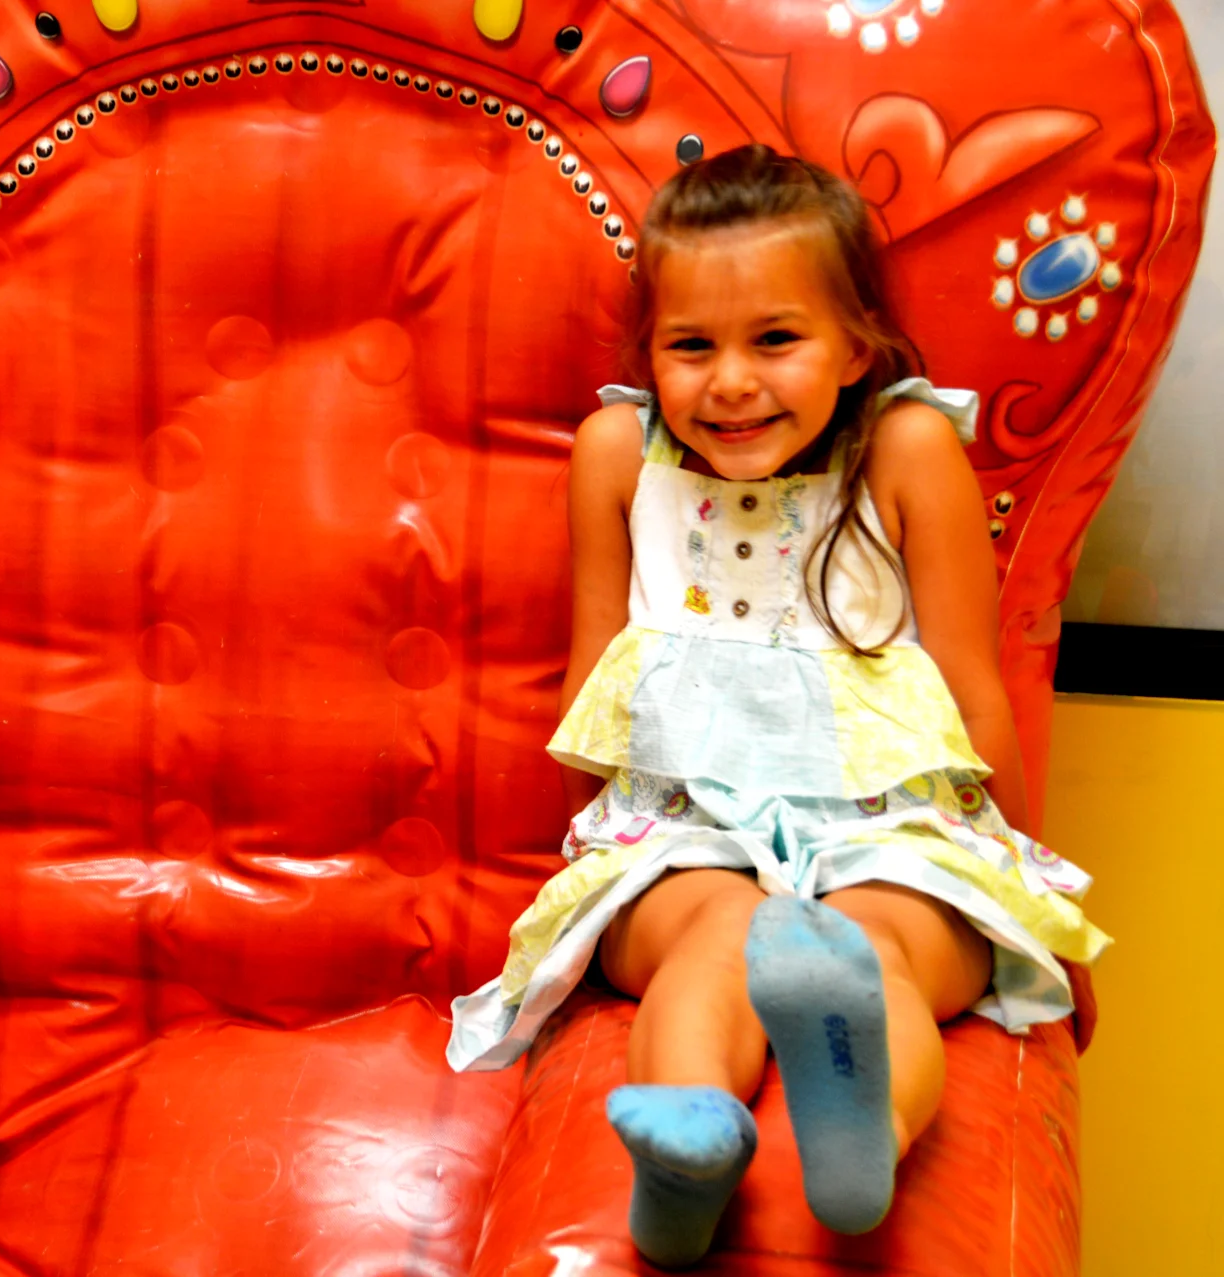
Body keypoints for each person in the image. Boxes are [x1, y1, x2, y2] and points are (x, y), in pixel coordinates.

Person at [446, 146, 1108, 1266]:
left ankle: (862, 1134)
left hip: (891, 824)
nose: (730, 382)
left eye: (775, 339)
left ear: (855, 345)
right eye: (690, 345)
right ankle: (687, 1145)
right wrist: (592, 861)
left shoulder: (905, 447)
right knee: (714, 934)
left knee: (873, 948)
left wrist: (1026, 887)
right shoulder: (619, 455)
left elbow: (970, 686)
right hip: (684, 822)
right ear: (648, 352)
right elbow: (594, 673)